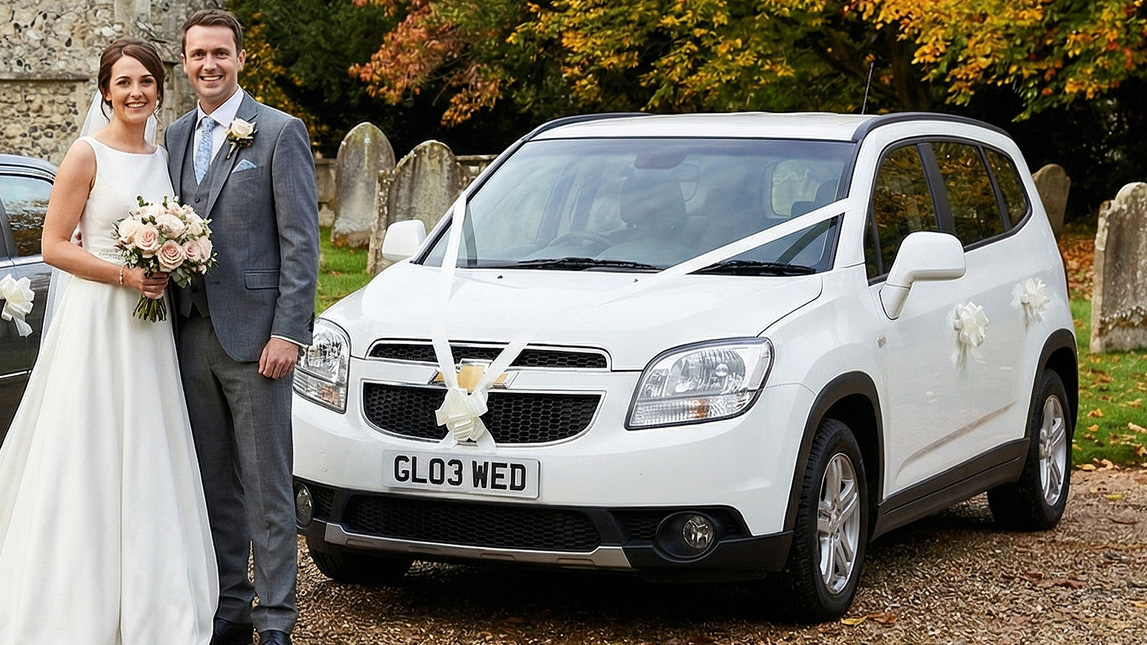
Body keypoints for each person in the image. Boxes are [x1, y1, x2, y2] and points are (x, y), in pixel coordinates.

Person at [0, 38, 218, 643]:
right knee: (87, 449)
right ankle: (76, 602)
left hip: (147, 331)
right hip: (97, 319)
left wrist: (175, 256)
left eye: (146, 81)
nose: (136, 92)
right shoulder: (84, 154)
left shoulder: (164, 155)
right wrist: (127, 274)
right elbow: (53, 245)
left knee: (147, 448)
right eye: (123, 82)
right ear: (104, 92)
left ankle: (152, 602)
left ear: (159, 90)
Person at [166, 9, 320, 645]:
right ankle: (230, 610)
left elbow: (301, 243)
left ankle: (277, 620)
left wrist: (289, 331)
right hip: (186, 335)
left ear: (241, 59)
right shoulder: (171, 137)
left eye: (220, 54)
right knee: (211, 486)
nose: (209, 65)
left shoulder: (279, 132)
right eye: (198, 54)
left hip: (258, 340)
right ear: (184, 61)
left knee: (266, 489)